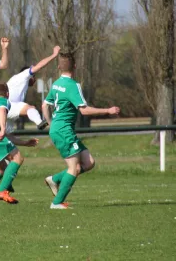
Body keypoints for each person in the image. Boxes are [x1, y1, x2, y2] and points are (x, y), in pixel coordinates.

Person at [42, 53, 120, 209]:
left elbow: (45, 105)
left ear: (59, 67)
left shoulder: (56, 84)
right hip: (64, 130)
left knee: (89, 162)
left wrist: (50, 123)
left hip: (60, 129)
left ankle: (55, 179)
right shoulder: (73, 85)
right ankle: (56, 203)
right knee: (75, 168)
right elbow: (84, 111)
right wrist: (108, 110)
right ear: (75, 66)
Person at [5, 46, 62, 131]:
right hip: (8, 106)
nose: (35, 80)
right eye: (34, 76)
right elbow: (40, 65)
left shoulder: (16, 80)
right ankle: (40, 123)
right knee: (30, 108)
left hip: (4, 109)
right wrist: (54, 55)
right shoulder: (24, 75)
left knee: (6, 136)